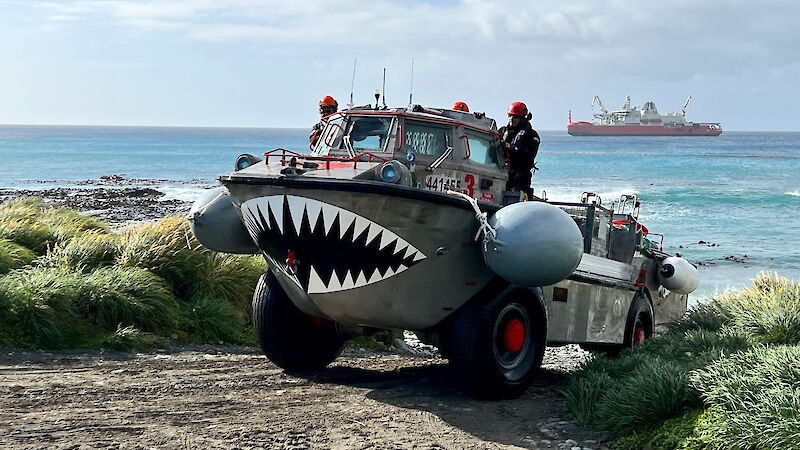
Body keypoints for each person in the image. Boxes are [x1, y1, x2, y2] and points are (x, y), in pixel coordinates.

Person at [500, 101, 540, 199]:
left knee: (518, 196)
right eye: (510, 116)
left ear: (522, 118)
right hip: (503, 172)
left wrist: (513, 148)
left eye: (515, 117)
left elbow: (529, 156)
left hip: (520, 174)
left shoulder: (531, 135)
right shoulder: (502, 131)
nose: (512, 119)